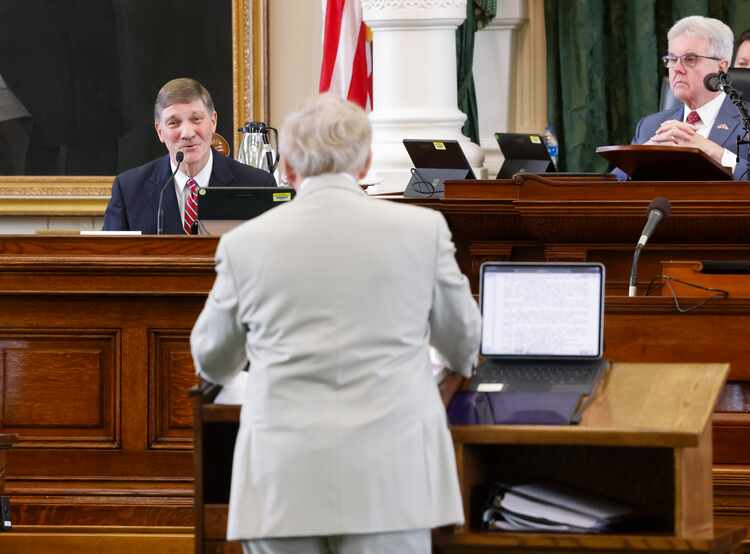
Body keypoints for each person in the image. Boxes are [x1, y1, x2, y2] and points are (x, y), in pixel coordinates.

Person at [190, 93, 481, 554]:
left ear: (287, 167)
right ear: (364, 163)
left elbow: (211, 356)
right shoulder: (423, 231)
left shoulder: (245, 244)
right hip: (391, 473)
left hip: (283, 473)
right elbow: (463, 339)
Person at [616, 16, 750, 180]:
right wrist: (641, 156)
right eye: (672, 59)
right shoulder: (649, 126)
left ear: (721, 68)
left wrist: (712, 151)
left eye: (690, 59)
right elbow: (612, 184)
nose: (677, 68)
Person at [103, 78, 274, 234]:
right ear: (160, 131)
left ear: (213, 122)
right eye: (174, 123)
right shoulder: (129, 189)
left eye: (196, 119)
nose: (187, 133)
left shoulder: (257, 185)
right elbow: (110, 259)